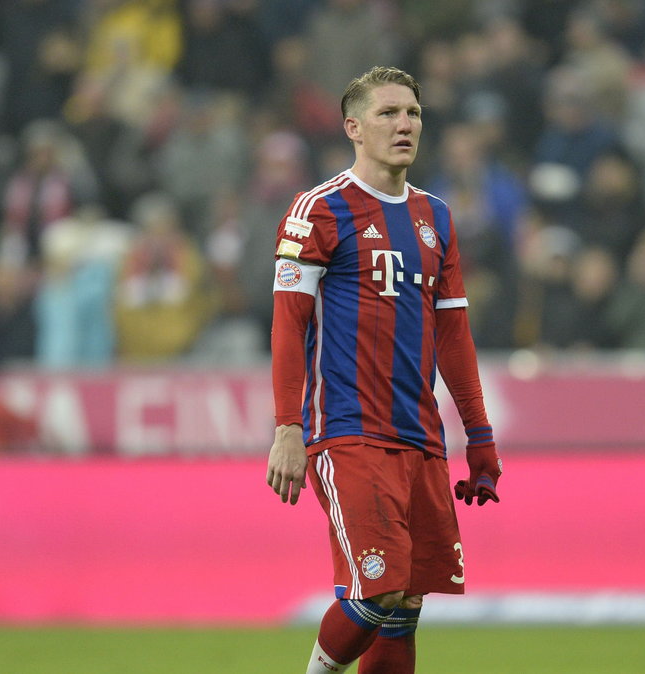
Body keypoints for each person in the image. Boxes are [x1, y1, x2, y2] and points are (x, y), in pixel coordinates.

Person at [266, 66, 502, 674]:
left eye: (413, 114)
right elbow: (288, 325)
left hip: (421, 436)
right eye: (387, 113)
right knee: (375, 595)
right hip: (348, 432)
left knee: (404, 606)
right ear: (353, 127)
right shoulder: (319, 209)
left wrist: (479, 435)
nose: (404, 125)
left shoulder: (437, 218)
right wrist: (287, 427)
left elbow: (453, 335)